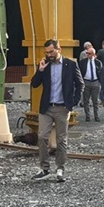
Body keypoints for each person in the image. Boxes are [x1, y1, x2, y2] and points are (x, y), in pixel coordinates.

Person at [30, 39, 83, 182]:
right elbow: (34, 84)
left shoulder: (71, 65)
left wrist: (73, 102)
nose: (49, 55)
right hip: (46, 108)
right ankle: (44, 168)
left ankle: (60, 168)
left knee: (61, 139)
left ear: (59, 50)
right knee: (42, 137)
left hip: (62, 108)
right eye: (46, 52)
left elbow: (80, 84)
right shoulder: (44, 65)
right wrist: (40, 70)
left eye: (51, 52)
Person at [79, 45, 103, 122]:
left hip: (96, 82)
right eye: (87, 53)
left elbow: (101, 73)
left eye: (89, 53)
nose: (87, 55)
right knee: (86, 101)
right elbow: (80, 73)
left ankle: (96, 116)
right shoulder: (82, 62)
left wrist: (100, 82)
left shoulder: (98, 63)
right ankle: (88, 116)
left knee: (96, 101)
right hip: (86, 82)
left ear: (93, 54)